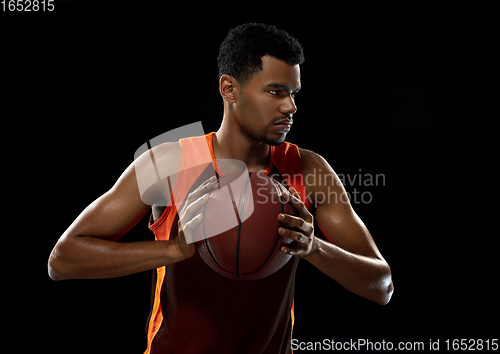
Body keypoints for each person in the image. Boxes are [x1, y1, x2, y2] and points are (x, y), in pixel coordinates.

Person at [48, 23, 393, 353]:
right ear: (229, 89)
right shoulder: (170, 163)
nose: (291, 106)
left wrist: (312, 246)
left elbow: (382, 286)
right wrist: (172, 251)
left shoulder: (308, 169)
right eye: (275, 91)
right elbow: (63, 260)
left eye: (292, 93)